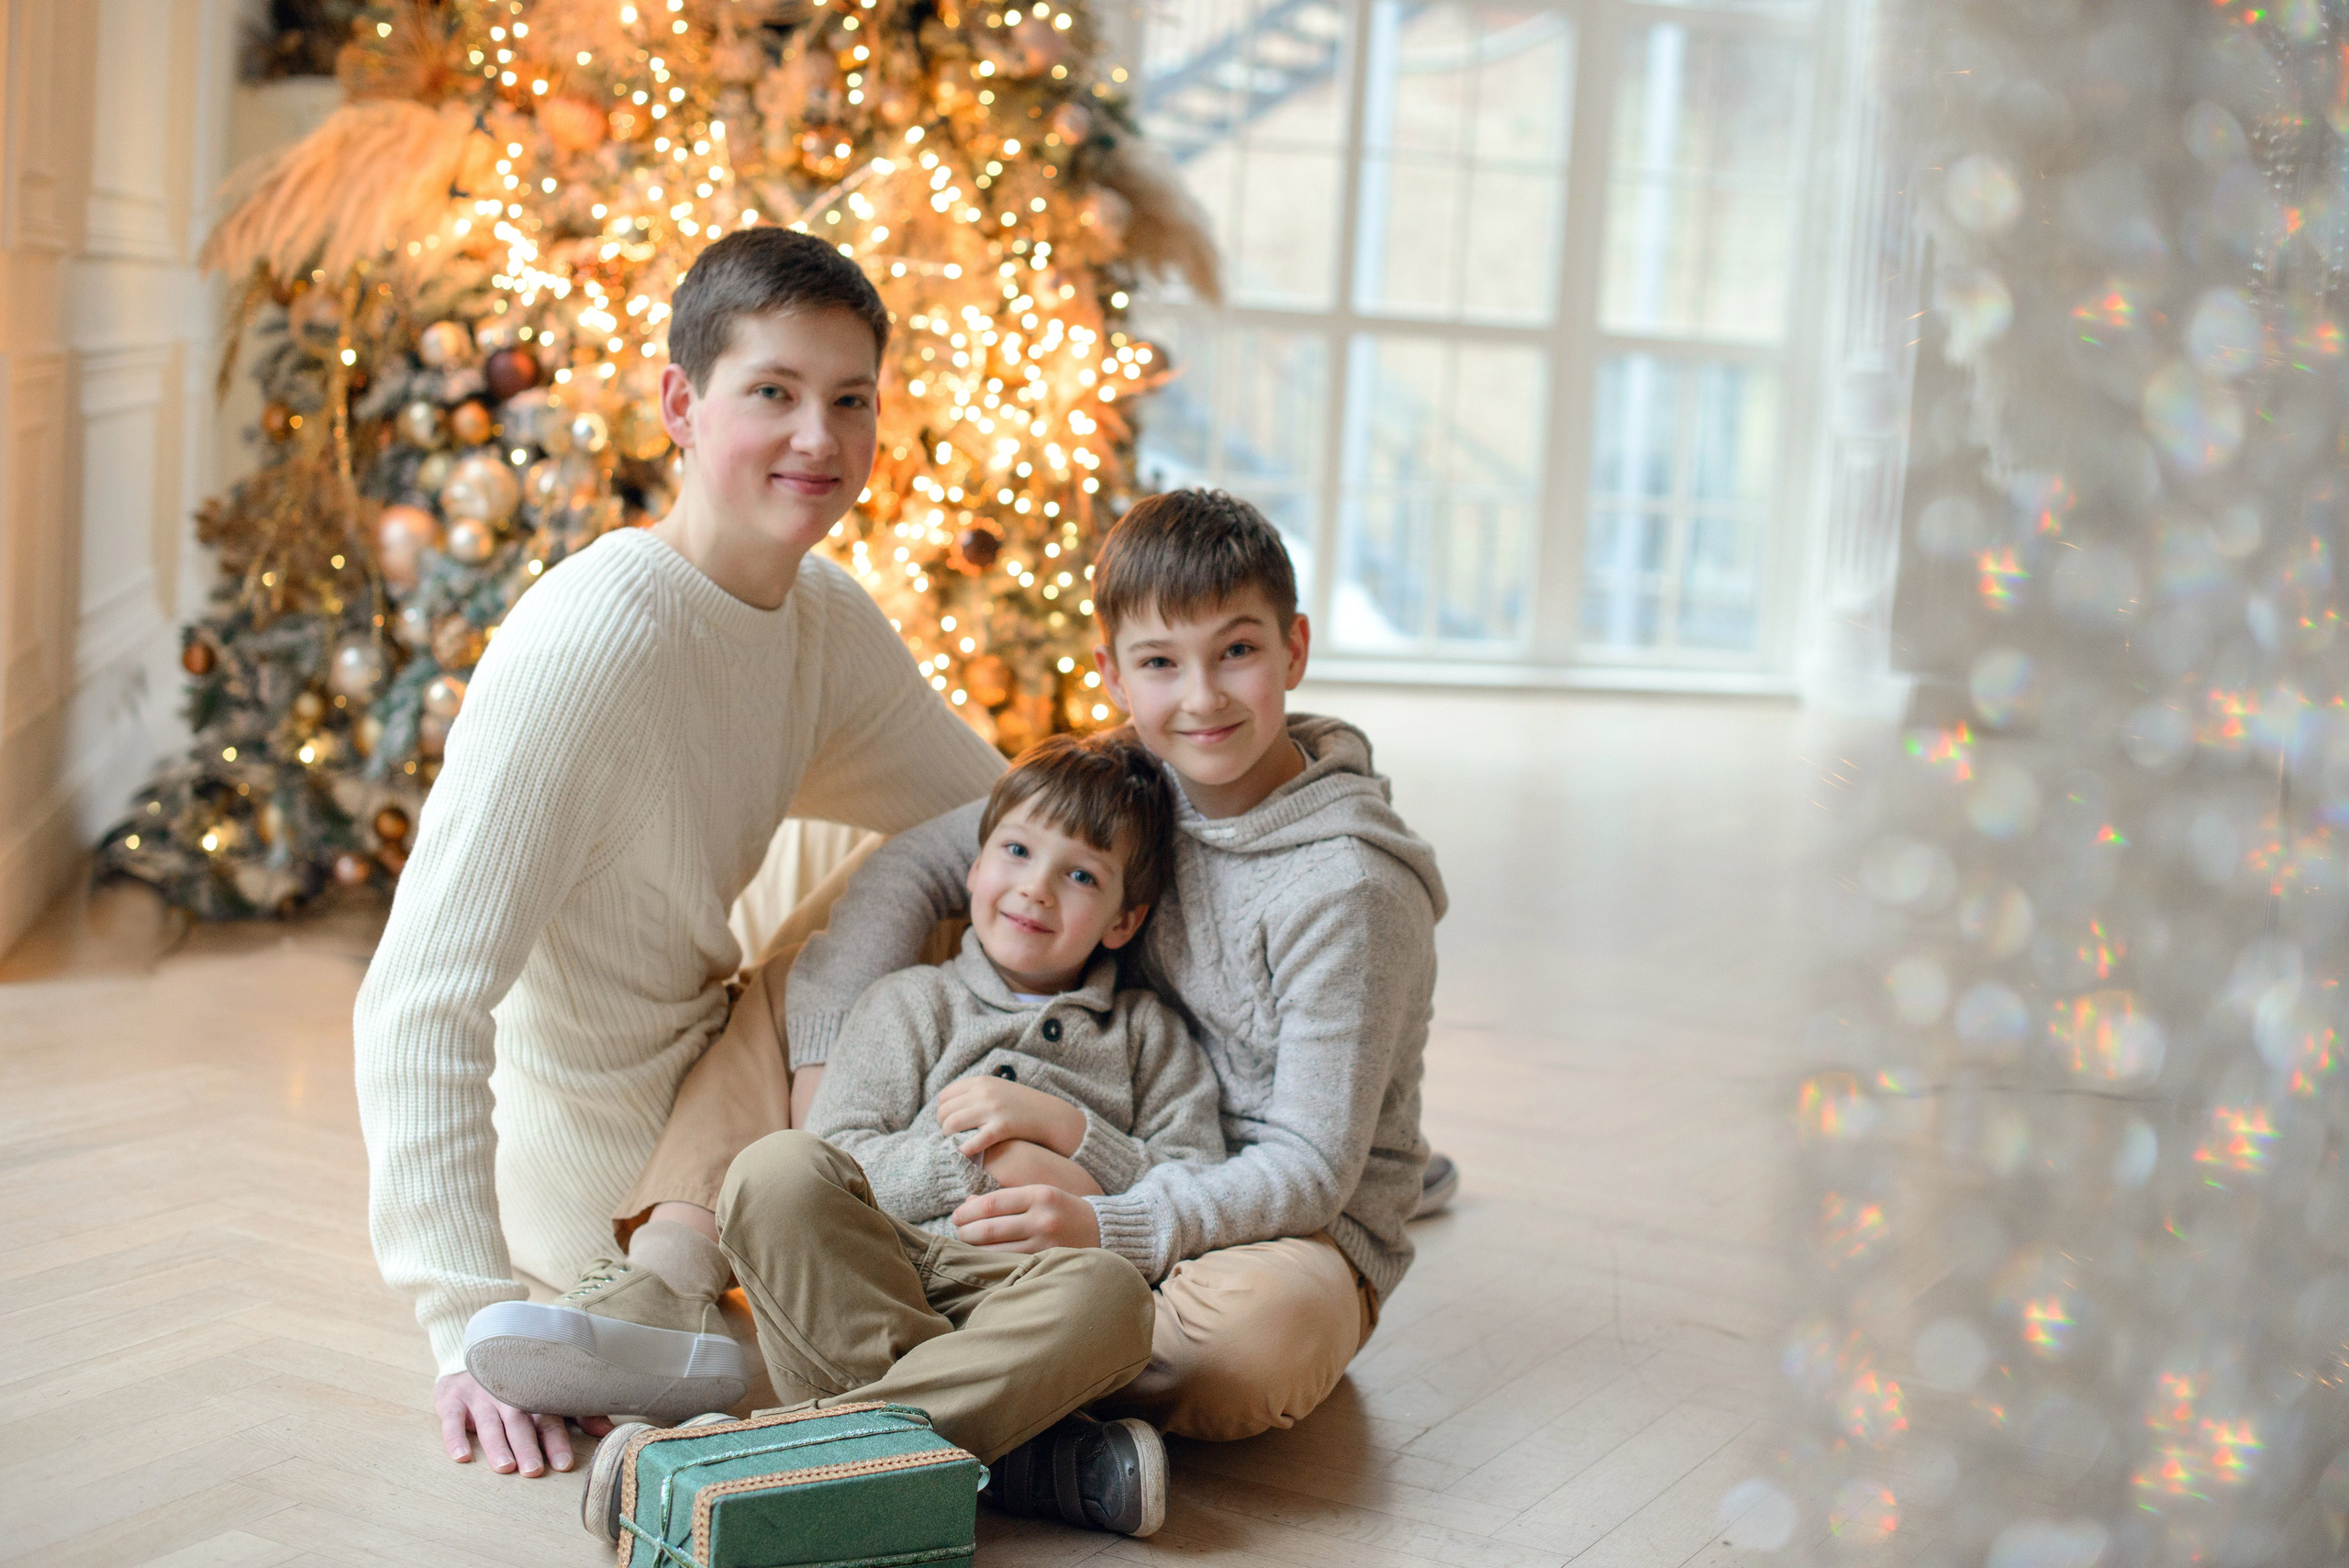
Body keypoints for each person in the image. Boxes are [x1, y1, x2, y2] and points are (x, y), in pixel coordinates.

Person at [350, 225, 1167, 1484]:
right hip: (611, 1177)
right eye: (773, 394)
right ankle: (689, 1296)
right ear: (680, 405)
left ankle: (934, 1338)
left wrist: (1221, 829)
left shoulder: (817, 617)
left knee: (973, 864)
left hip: (716, 1072)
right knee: (884, 893)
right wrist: (459, 1326)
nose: (819, 442)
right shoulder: (591, 646)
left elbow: (1004, 815)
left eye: (850, 402)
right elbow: (417, 999)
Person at [492, 487, 1449, 1444]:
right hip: (1072, 1100)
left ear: (1293, 649)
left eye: (1236, 651)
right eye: (1162, 662)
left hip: (1256, 1213)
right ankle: (672, 1277)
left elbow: (1310, 1168)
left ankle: (828, 1416)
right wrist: (826, 1075)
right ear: (1116, 675)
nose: (1200, 696)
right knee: (803, 978)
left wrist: (1108, 1217)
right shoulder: (1132, 766)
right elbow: (918, 861)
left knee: (1243, 1348)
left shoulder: (1351, 887)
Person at [519, 728, 1218, 1542]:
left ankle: (749, 1468)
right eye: (1018, 851)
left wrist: (1072, 1134)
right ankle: (1021, 1458)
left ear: (1123, 920)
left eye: (1080, 875)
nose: (1036, 888)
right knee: (774, 1169)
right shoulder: (910, 1003)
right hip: (882, 1276)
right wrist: (975, 1164)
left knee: (1115, 1300)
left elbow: (1193, 1178)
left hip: (1017, 1306)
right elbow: (845, 1155)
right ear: (973, 867)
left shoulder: (1148, 1035)